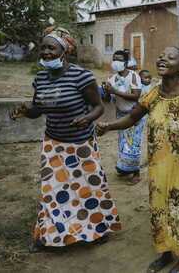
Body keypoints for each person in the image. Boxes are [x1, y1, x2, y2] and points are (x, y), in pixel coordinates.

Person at [96, 47, 179, 273]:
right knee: (159, 207)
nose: (162, 58)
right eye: (161, 55)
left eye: (170, 57)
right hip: (158, 164)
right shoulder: (153, 94)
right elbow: (131, 117)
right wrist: (109, 126)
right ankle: (165, 252)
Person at [10, 26, 121, 251]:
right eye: (43, 48)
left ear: (65, 50)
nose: (46, 52)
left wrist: (86, 118)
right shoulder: (41, 78)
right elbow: (38, 109)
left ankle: (96, 230)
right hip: (54, 144)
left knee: (87, 189)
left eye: (51, 47)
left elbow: (98, 107)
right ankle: (50, 235)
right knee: (53, 190)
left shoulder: (82, 76)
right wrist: (26, 110)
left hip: (81, 145)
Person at [103, 50, 144, 184]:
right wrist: (106, 92)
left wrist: (115, 91)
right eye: (114, 59)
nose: (116, 62)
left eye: (119, 60)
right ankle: (125, 169)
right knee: (123, 143)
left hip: (134, 113)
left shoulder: (133, 76)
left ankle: (136, 173)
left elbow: (136, 95)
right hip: (120, 113)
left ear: (126, 63)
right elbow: (109, 98)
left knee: (133, 144)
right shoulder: (111, 79)